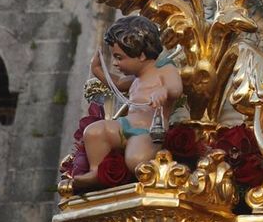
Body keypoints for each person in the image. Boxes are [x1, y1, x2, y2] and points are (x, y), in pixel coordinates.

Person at [69, 17, 182, 190]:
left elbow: (176, 88)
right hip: (125, 125)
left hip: (148, 131)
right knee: (94, 132)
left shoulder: (164, 68)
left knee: (135, 161)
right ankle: (96, 171)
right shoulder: (136, 79)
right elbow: (119, 84)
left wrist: (164, 90)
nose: (115, 63)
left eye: (119, 57)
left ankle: (153, 177)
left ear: (142, 55)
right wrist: (97, 70)